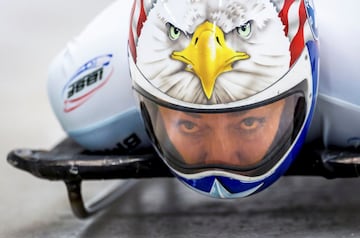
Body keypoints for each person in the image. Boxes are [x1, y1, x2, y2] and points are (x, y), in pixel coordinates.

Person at [47, 0, 360, 198]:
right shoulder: (79, 102)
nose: (220, 155)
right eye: (190, 125)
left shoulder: (87, 111)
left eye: (248, 122)